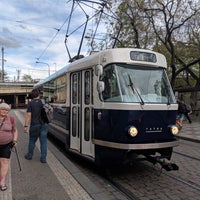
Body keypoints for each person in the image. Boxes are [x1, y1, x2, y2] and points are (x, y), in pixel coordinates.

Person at [24, 89, 49, 163]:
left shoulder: (30, 103)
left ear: (32, 95)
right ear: (39, 94)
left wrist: (25, 126)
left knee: (32, 141)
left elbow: (28, 115)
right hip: (44, 124)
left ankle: (29, 156)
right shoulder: (43, 102)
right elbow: (51, 109)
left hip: (34, 125)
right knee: (43, 142)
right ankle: (43, 158)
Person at [0, 103, 18, 191]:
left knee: (5, 162)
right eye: (2, 109)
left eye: (6, 110)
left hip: (7, 144)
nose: (4, 111)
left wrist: (15, 140)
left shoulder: (11, 119)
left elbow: (15, 130)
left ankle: (2, 181)